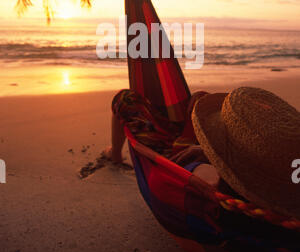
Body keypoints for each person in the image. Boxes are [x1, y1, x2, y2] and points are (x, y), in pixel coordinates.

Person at [104, 87, 300, 220]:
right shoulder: (283, 163)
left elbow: (203, 180)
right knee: (200, 97)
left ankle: (115, 154)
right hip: (211, 151)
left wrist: (201, 157)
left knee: (124, 99)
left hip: (176, 154)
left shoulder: (211, 177)